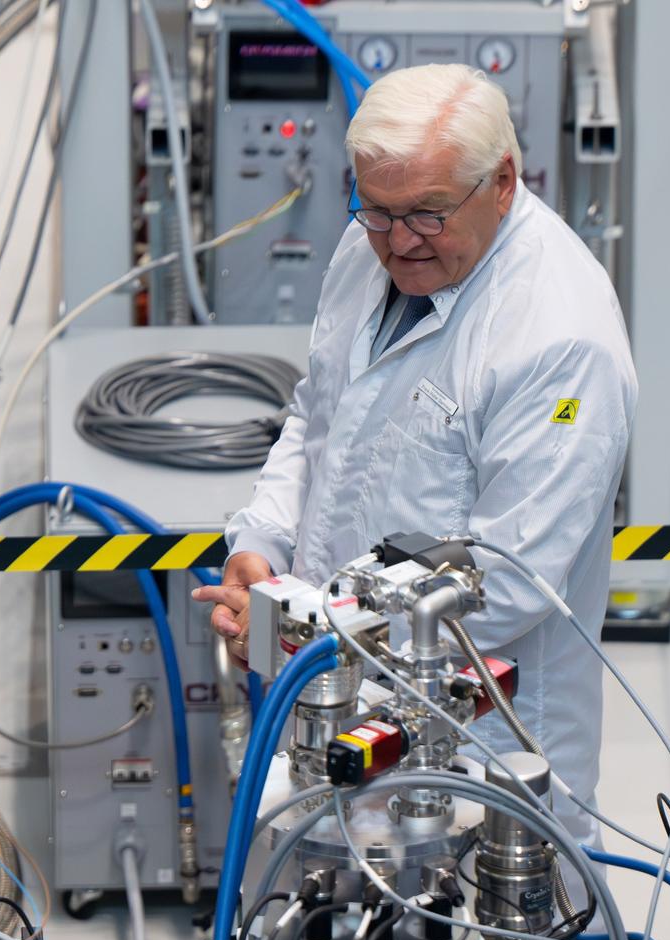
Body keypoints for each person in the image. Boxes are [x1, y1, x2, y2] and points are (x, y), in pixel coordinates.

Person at [191, 64, 637, 836]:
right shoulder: (371, 245)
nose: (398, 241)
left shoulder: (559, 340)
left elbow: (507, 584)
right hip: (335, 695)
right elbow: (316, 411)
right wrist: (261, 541)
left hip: (479, 743)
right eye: (376, 209)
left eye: (428, 213)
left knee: (468, 908)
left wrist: (312, 630)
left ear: (503, 182)